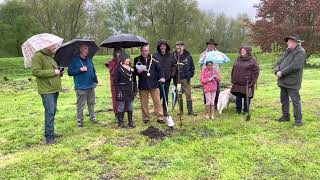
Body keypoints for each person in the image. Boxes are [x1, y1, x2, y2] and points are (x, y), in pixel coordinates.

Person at [32, 44, 63, 144]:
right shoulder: (38, 56)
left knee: (52, 111)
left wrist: (59, 72)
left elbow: (54, 70)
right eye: (52, 45)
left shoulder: (51, 56)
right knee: (50, 112)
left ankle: (51, 132)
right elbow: (36, 72)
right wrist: (53, 71)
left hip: (54, 88)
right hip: (46, 89)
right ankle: (49, 138)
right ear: (46, 45)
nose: (55, 46)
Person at [274, 34, 306, 126]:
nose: (287, 42)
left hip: (293, 81)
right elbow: (278, 63)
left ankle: (298, 121)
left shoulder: (301, 51)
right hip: (282, 80)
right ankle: (285, 116)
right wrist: (277, 71)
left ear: (296, 42)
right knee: (284, 100)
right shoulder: (286, 51)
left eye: (290, 41)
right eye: (288, 41)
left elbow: (295, 66)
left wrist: (282, 72)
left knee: (295, 101)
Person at [134, 45, 166, 124]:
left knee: (157, 101)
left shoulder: (154, 59)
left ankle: (160, 117)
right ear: (141, 51)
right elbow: (134, 72)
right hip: (143, 84)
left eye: (146, 51)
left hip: (154, 83)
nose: (145, 53)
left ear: (148, 51)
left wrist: (162, 77)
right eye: (143, 51)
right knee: (144, 102)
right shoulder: (137, 59)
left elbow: (160, 69)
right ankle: (145, 117)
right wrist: (138, 72)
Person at [68, 44, 98, 127]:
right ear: (80, 49)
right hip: (81, 87)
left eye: (87, 49)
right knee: (80, 105)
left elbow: (93, 70)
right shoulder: (74, 60)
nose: (87, 50)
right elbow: (70, 72)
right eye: (85, 48)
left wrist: (95, 80)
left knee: (91, 103)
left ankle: (93, 118)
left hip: (90, 85)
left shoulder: (89, 59)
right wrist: (80, 69)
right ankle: (80, 122)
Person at [230, 47, 260, 114]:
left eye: (243, 50)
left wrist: (253, 81)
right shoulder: (238, 59)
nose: (241, 51)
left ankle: (246, 110)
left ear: (248, 51)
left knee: (247, 96)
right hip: (237, 82)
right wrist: (233, 78)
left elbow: (256, 71)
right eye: (241, 50)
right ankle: (238, 110)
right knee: (238, 96)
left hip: (247, 83)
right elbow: (234, 68)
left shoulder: (252, 60)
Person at [153, 39, 176, 117]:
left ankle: (165, 110)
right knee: (158, 96)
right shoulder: (155, 55)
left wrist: (172, 74)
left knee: (165, 95)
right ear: (159, 47)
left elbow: (174, 66)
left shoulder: (171, 55)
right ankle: (158, 111)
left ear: (166, 46)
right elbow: (152, 67)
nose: (162, 47)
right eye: (161, 46)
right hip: (158, 80)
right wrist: (156, 76)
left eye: (164, 46)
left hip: (167, 79)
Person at [173, 41, 197, 116]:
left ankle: (190, 111)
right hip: (178, 80)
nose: (178, 49)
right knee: (179, 94)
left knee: (188, 94)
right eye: (177, 48)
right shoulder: (174, 56)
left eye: (180, 47)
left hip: (186, 80)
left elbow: (192, 67)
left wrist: (190, 75)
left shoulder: (188, 56)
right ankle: (181, 111)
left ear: (183, 47)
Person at [114, 52, 137, 128]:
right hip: (122, 90)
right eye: (127, 59)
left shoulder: (131, 68)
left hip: (130, 90)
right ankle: (120, 122)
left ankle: (130, 122)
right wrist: (118, 91)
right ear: (123, 59)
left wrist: (135, 89)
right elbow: (115, 81)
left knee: (130, 105)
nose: (128, 60)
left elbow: (134, 80)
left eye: (129, 58)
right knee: (121, 106)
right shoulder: (118, 69)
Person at [199, 39, 221, 108]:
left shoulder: (218, 54)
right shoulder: (203, 54)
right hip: (206, 76)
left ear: (214, 46)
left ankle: (215, 105)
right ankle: (207, 105)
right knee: (206, 91)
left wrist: (215, 72)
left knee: (216, 91)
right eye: (209, 44)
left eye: (212, 44)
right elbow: (201, 65)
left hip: (215, 75)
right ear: (207, 45)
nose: (211, 45)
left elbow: (219, 65)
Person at [105, 48, 122, 120]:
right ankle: (117, 114)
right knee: (115, 99)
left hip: (123, 83)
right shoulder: (112, 62)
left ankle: (122, 113)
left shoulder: (124, 61)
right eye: (117, 52)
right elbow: (112, 72)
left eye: (120, 52)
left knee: (122, 98)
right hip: (114, 84)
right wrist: (117, 63)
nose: (118, 53)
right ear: (114, 53)